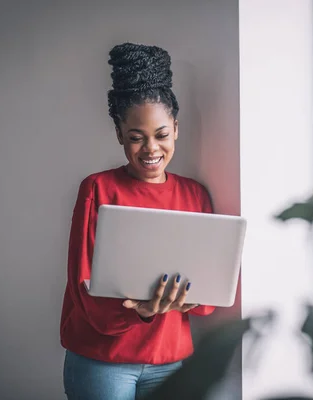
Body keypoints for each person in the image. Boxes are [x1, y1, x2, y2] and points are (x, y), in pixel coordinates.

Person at [60, 42, 216, 400]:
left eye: (161, 135)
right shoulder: (98, 189)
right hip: (102, 362)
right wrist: (141, 312)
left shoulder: (194, 195)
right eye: (135, 138)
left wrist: (190, 299)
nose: (150, 149)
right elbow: (84, 287)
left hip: (170, 362)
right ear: (119, 135)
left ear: (175, 128)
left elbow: (209, 294)